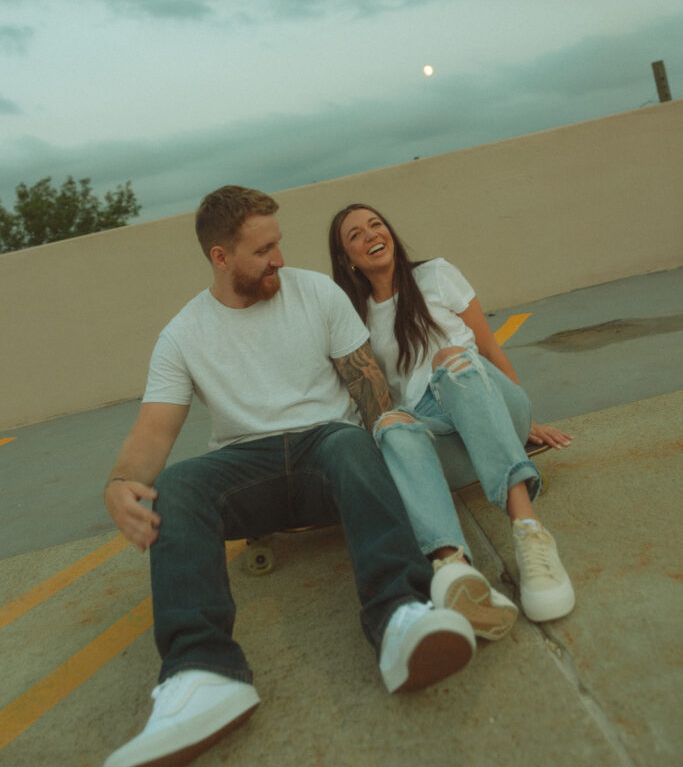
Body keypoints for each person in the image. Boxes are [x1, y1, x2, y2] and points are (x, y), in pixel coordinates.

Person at [103, 186, 478, 767]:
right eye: (262, 250)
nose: (279, 258)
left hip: (327, 451)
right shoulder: (182, 335)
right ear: (221, 258)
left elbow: (368, 385)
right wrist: (121, 481)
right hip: (245, 469)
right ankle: (202, 675)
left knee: (353, 440)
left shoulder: (315, 292)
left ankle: (400, 616)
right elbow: (154, 431)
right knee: (176, 486)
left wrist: (400, 451)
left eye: (278, 243)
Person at [328, 203, 575, 635]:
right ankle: (455, 573)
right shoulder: (357, 315)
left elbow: (491, 349)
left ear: (390, 232)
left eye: (376, 225)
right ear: (347, 258)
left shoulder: (436, 275)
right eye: (355, 235)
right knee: (388, 424)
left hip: (485, 395)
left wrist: (525, 417)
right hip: (440, 436)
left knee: (452, 358)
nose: (370, 235)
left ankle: (529, 532)